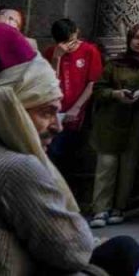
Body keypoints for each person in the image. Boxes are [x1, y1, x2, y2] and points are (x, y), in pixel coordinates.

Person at [0, 24, 139, 276]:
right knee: (125, 251)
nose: (56, 126)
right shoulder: (16, 168)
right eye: (46, 112)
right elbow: (73, 250)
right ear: (13, 110)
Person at [89, 22, 139, 227]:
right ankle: (100, 209)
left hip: (136, 121)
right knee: (106, 165)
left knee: (127, 167)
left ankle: (119, 207)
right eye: (136, 38)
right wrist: (115, 94)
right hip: (110, 120)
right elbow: (98, 89)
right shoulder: (115, 63)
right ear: (129, 39)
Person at [42, 17, 103, 175]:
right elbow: (49, 83)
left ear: (77, 33)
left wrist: (76, 108)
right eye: (66, 43)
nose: (70, 46)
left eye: (73, 41)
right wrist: (57, 58)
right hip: (56, 112)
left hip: (79, 112)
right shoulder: (51, 52)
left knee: (73, 156)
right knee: (53, 154)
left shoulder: (90, 51)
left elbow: (92, 83)